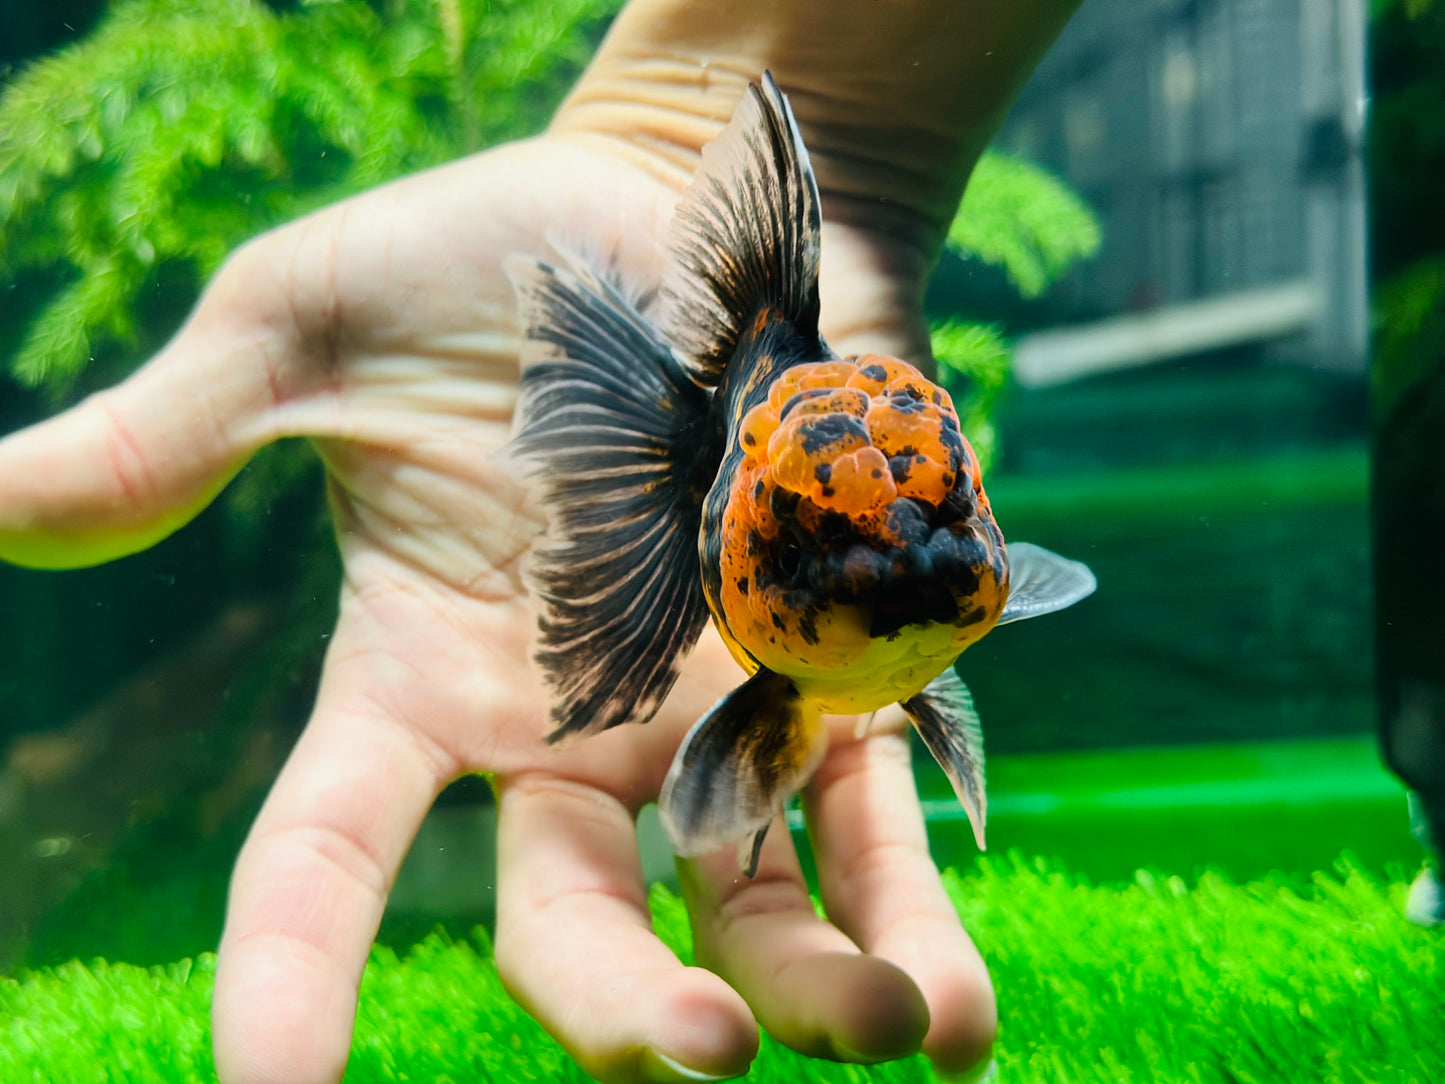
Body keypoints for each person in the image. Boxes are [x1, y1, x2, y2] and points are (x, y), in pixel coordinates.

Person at [0, 1, 1082, 1081]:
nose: (908, 570)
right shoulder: (728, 502)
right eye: (815, 544)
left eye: (950, 519)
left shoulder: (933, 573)